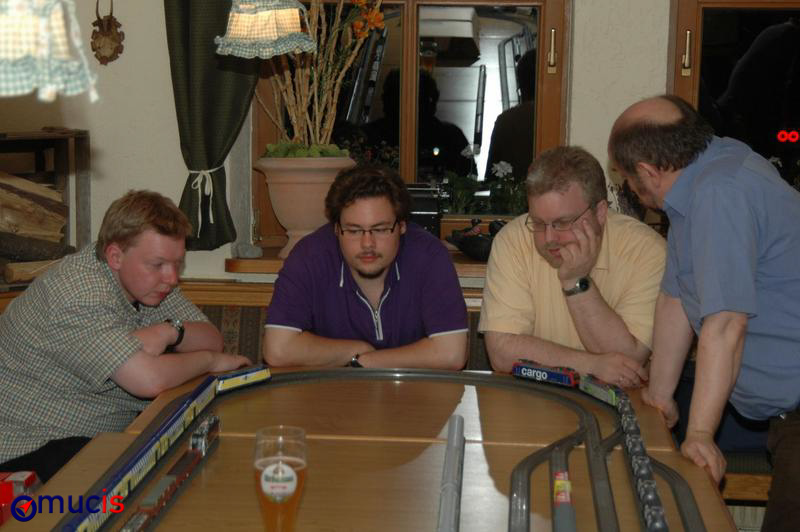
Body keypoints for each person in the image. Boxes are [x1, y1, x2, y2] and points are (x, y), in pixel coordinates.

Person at [608, 94, 800, 531]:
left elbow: (727, 323)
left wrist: (698, 435)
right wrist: (660, 397)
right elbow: (676, 297)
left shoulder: (719, 193)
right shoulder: (701, 180)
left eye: (627, 177)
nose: (631, 188)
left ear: (648, 171)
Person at [0, 190, 250, 482]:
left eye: (177, 264)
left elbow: (211, 338)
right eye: (158, 264)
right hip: (28, 448)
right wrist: (210, 361)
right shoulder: (78, 292)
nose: (172, 278)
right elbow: (149, 380)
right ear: (115, 256)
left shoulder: (146, 281)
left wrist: (169, 331)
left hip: (93, 434)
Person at [478, 146, 665, 387]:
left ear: (600, 213)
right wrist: (592, 365)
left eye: (563, 222)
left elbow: (627, 365)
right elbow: (502, 353)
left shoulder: (648, 251)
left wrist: (576, 282)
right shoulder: (513, 240)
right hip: (533, 396)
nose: (549, 239)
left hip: (622, 401)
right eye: (538, 223)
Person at [264, 165, 468, 369]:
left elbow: (452, 355)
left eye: (380, 229)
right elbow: (278, 350)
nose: (367, 244)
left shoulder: (429, 256)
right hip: (331, 388)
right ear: (336, 228)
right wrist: (358, 349)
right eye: (354, 231)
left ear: (402, 226)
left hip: (413, 388)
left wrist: (365, 361)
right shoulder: (309, 257)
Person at [485, 49, 537, 184]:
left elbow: (492, 178)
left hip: (512, 194)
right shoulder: (557, 117)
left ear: (521, 85)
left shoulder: (506, 121)